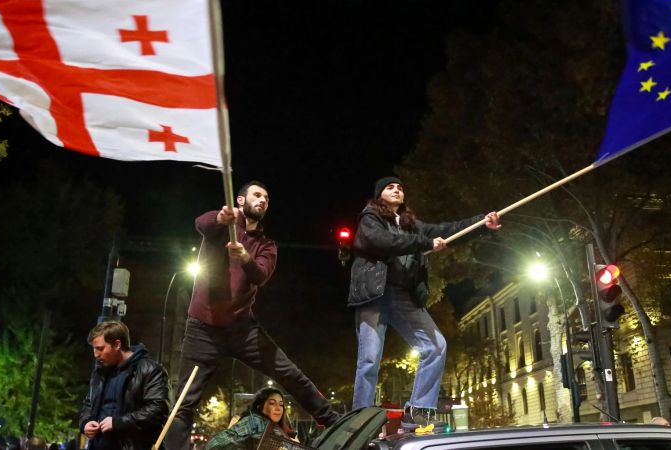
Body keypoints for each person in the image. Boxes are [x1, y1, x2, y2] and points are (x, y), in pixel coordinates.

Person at [166, 181, 339, 450]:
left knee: (289, 372)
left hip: (241, 329)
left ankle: (332, 420)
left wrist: (246, 257)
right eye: (257, 195)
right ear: (239, 201)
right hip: (202, 330)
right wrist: (221, 217)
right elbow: (201, 223)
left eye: (266, 199)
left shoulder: (267, 245)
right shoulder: (222, 226)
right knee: (183, 402)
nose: (263, 201)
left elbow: (261, 275)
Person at [348, 176, 501, 430]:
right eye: (390, 187)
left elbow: (447, 230)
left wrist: (482, 223)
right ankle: (359, 424)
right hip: (374, 295)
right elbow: (383, 242)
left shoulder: (412, 225)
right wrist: (425, 243)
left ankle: (417, 418)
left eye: (400, 187)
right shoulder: (370, 218)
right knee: (369, 359)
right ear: (379, 195)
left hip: (402, 297)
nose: (397, 189)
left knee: (436, 346)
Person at [78, 321, 169, 450]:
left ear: (117, 344)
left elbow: (157, 410)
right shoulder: (100, 372)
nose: (96, 354)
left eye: (100, 348)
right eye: (94, 348)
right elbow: (88, 404)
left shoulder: (150, 370)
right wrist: (85, 423)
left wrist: (118, 422)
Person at [206, 388, 295, 450]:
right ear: (259, 406)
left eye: (281, 404)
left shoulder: (277, 428)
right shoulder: (254, 421)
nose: (278, 408)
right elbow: (213, 444)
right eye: (272, 403)